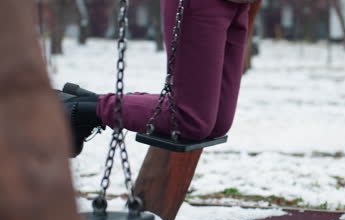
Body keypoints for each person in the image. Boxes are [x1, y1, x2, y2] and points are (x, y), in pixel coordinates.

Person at [62, 0, 256, 156]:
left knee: (218, 124)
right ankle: (81, 110)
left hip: (239, 5)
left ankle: (90, 102)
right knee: (190, 120)